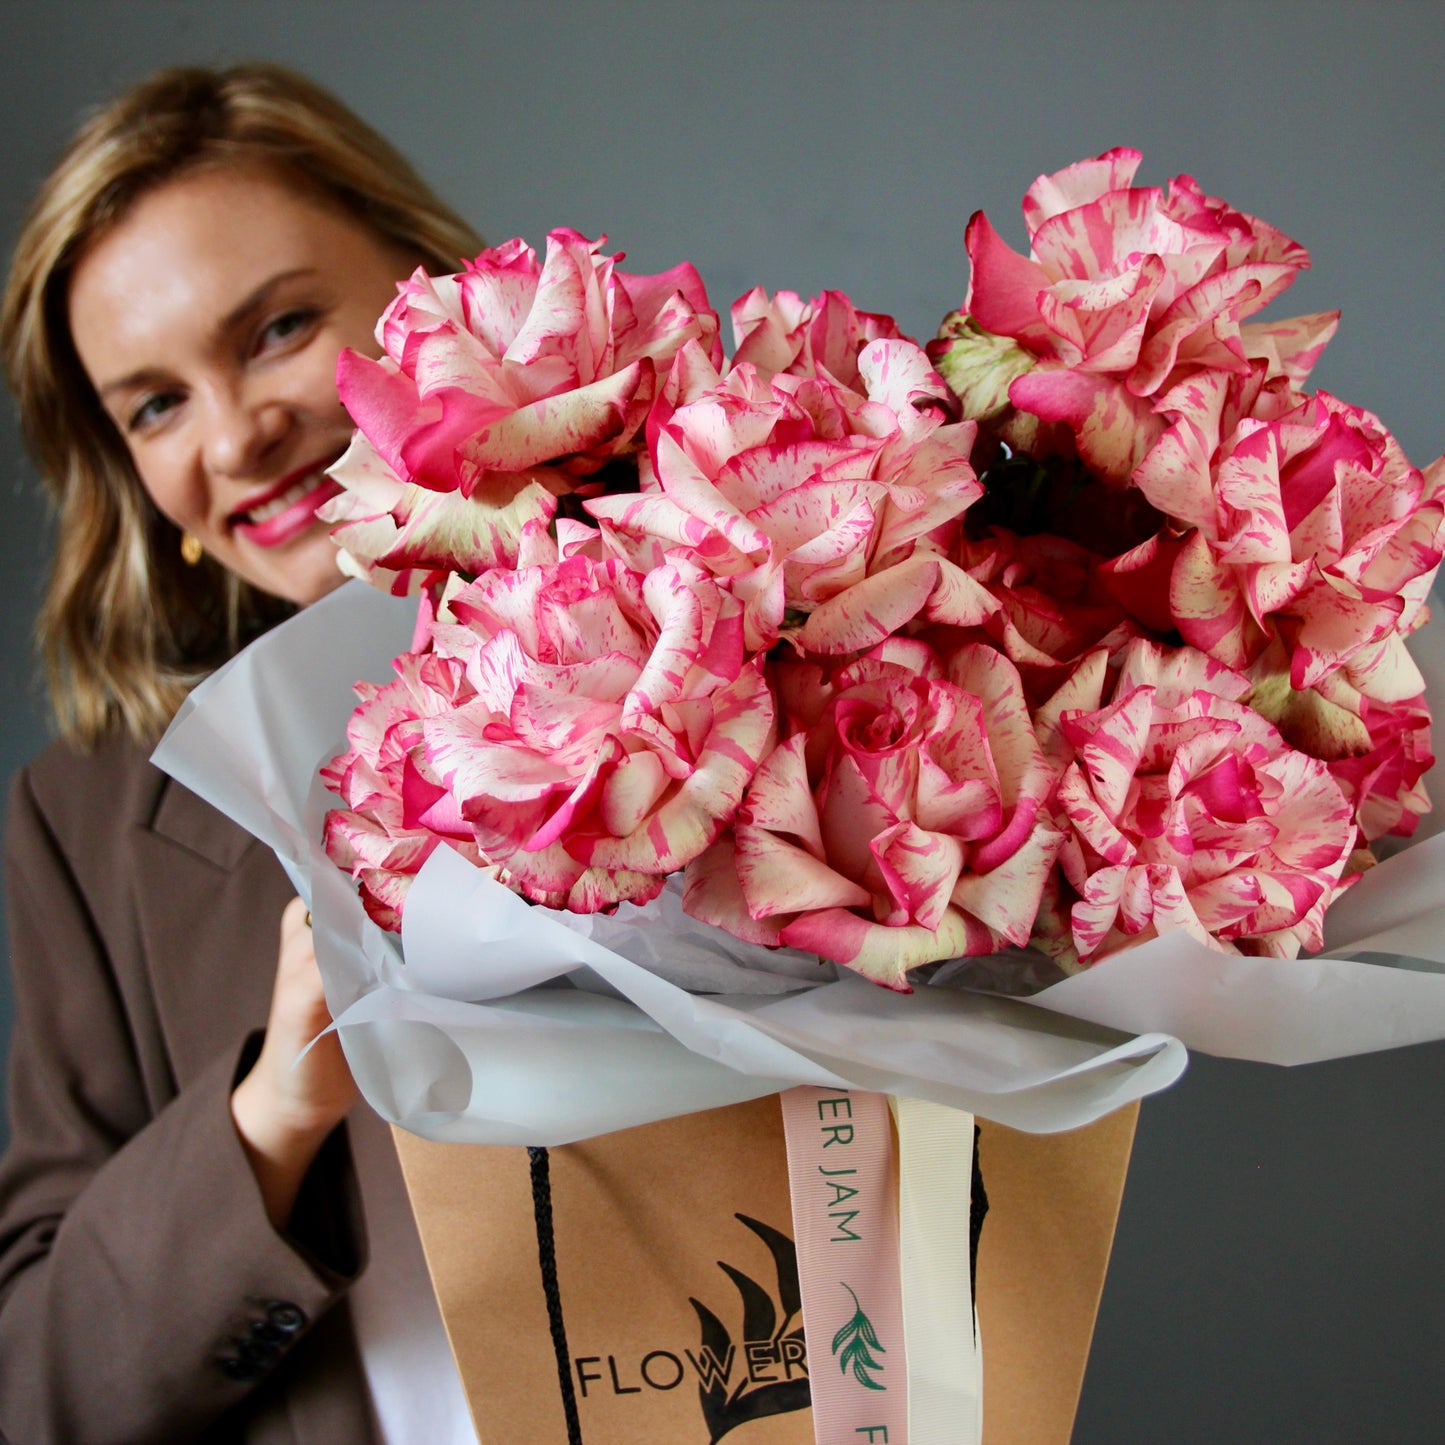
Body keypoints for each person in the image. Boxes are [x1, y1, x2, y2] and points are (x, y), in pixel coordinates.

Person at [0, 62, 484, 1444]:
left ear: (424, 282)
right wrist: (270, 1112)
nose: (235, 432)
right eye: (153, 405)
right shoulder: (84, 823)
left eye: (278, 327)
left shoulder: (742, 616)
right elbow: (39, 1389)